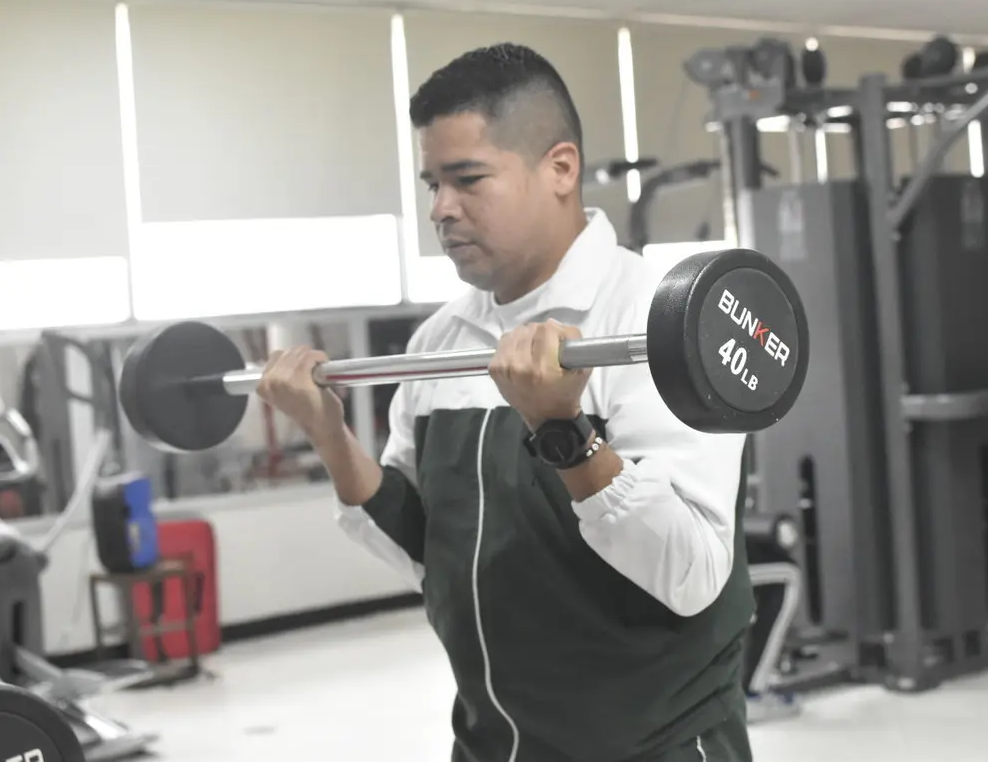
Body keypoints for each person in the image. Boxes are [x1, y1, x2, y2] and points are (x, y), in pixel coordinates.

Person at [257, 43, 756, 762]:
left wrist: (562, 428)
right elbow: (433, 555)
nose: (441, 209)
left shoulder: (655, 323)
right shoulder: (440, 340)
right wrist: (329, 436)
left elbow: (688, 575)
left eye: (467, 180)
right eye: (432, 183)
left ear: (559, 169)